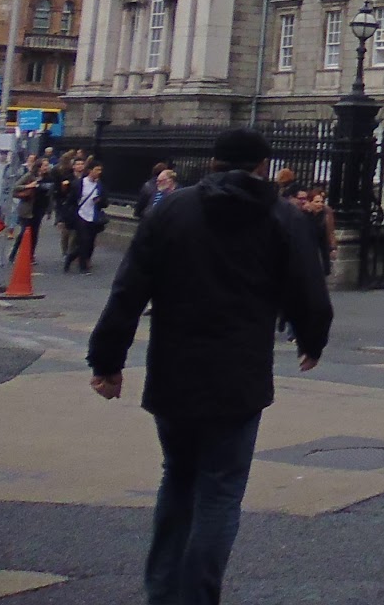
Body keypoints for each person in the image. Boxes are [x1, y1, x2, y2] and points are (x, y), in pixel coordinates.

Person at [87, 127, 332, 605]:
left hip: (174, 367)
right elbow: (309, 290)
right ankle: (198, 596)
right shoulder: (281, 216)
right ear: (262, 166)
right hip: (239, 374)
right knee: (220, 491)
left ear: (214, 162)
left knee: (177, 475)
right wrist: (311, 340)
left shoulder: (172, 210)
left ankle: (161, 591)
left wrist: (107, 361)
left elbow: (128, 289)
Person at [67, 159, 107, 273]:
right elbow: (71, 200)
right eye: (97, 170)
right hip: (81, 215)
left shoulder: (100, 185)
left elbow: (105, 202)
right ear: (90, 170)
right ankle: (82, 266)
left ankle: (71, 257)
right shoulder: (79, 183)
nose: (99, 172)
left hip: (94, 216)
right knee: (84, 240)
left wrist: (100, 201)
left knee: (90, 242)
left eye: (100, 170)